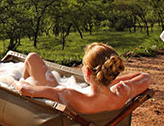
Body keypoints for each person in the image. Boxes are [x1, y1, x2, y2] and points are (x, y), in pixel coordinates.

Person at [15, 43, 153, 114]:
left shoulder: (69, 95)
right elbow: (146, 76)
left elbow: (23, 89)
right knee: (33, 58)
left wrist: (20, 81)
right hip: (98, 92)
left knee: (32, 57)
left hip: (60, 98)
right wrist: (109, 82)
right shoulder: (122, 93)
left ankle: (23, 75)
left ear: (87, 72)